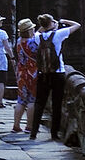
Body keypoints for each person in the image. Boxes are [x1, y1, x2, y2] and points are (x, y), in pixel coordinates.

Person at [30, 14, 76, 143]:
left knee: (39, 103)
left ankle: (33, 133)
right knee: (57, 103)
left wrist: (46, 26)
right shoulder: (59, 34)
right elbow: (77, 25)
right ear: (51, 23)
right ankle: (54, 134)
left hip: (43, 73)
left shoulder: (38, 37)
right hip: (58, 73)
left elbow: (37, 32)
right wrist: (61, 21)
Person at [12, 19, 40, 133]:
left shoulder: (19, 41)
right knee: (32, 100)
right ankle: (29, 126)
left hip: (21, 73)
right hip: (32, 73)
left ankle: (16, 125)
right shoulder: (32, 43)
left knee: (21, 100)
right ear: (29, 30)